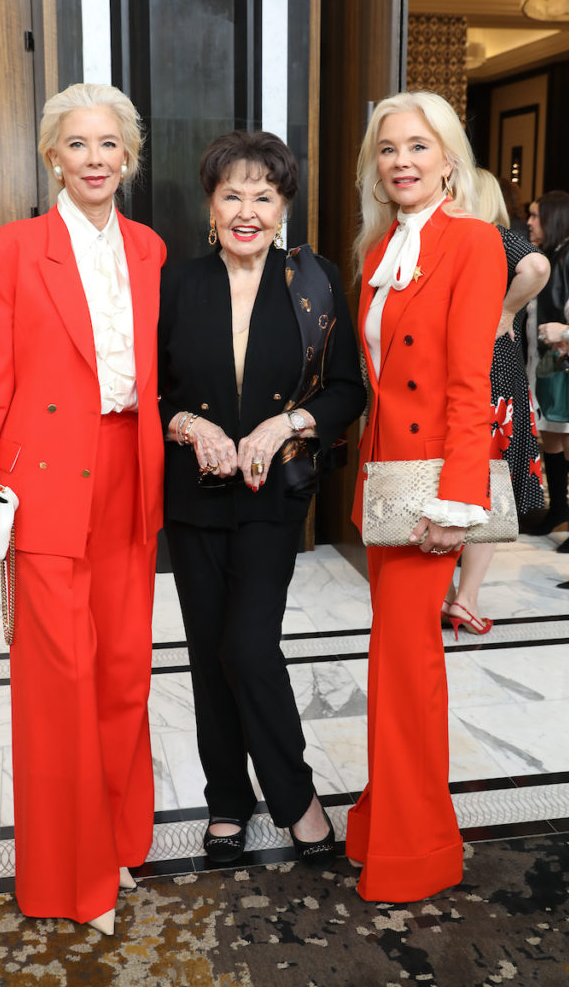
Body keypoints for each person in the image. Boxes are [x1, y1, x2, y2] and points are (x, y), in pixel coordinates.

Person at [0, 84, 166, 935]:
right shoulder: (10, 249)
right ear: (52, 158)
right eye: (78, 144)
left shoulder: (148, 248)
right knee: (58, 683)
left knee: (121, 673)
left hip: (128, 474)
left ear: (128, 156)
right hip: (43, 483)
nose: (96, 158)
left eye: (110, 144)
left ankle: (111, 845)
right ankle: (68, 881)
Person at [158, 130, 365, 866]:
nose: (247, 210)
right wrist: (185, 423)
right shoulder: (175, 283)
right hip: (193, 499)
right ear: (210, 206)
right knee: (208, 655)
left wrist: (284, 423)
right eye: (232, 195)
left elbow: (348, 389)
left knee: (247, 645)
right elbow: (143, 393)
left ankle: (294, 795)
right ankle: (225, 802)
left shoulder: (311, 282)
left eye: (264, 196)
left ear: (283, 207)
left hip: (273, 497)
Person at [347, 91, 507, 902]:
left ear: (449, 158)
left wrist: (456, 504)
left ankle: (415, 850)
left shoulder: (473, 243)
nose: (401, 161)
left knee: (406, 668)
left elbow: (468, 386)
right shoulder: (380, 247)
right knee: (394, 663)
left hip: (428, 494)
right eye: (387, 149)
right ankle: (387, 821)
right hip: (386, 485)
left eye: (417, 146)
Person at [442, 169, 549, 635]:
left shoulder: (487, 237)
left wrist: (504, 312)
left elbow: (538, 267)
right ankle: (460, 598)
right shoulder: (464, 241)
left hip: (486, 373)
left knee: (484, 486)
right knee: (482, 486)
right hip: (489, 371)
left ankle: (458, 598)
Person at [525, 192, 569, 540]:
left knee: (567, 438)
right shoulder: (548, 254)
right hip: (544, 358)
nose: (529, 222)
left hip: (565, 360)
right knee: (550, 432)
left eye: (536, 216)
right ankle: (558, 508)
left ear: (554, 217)